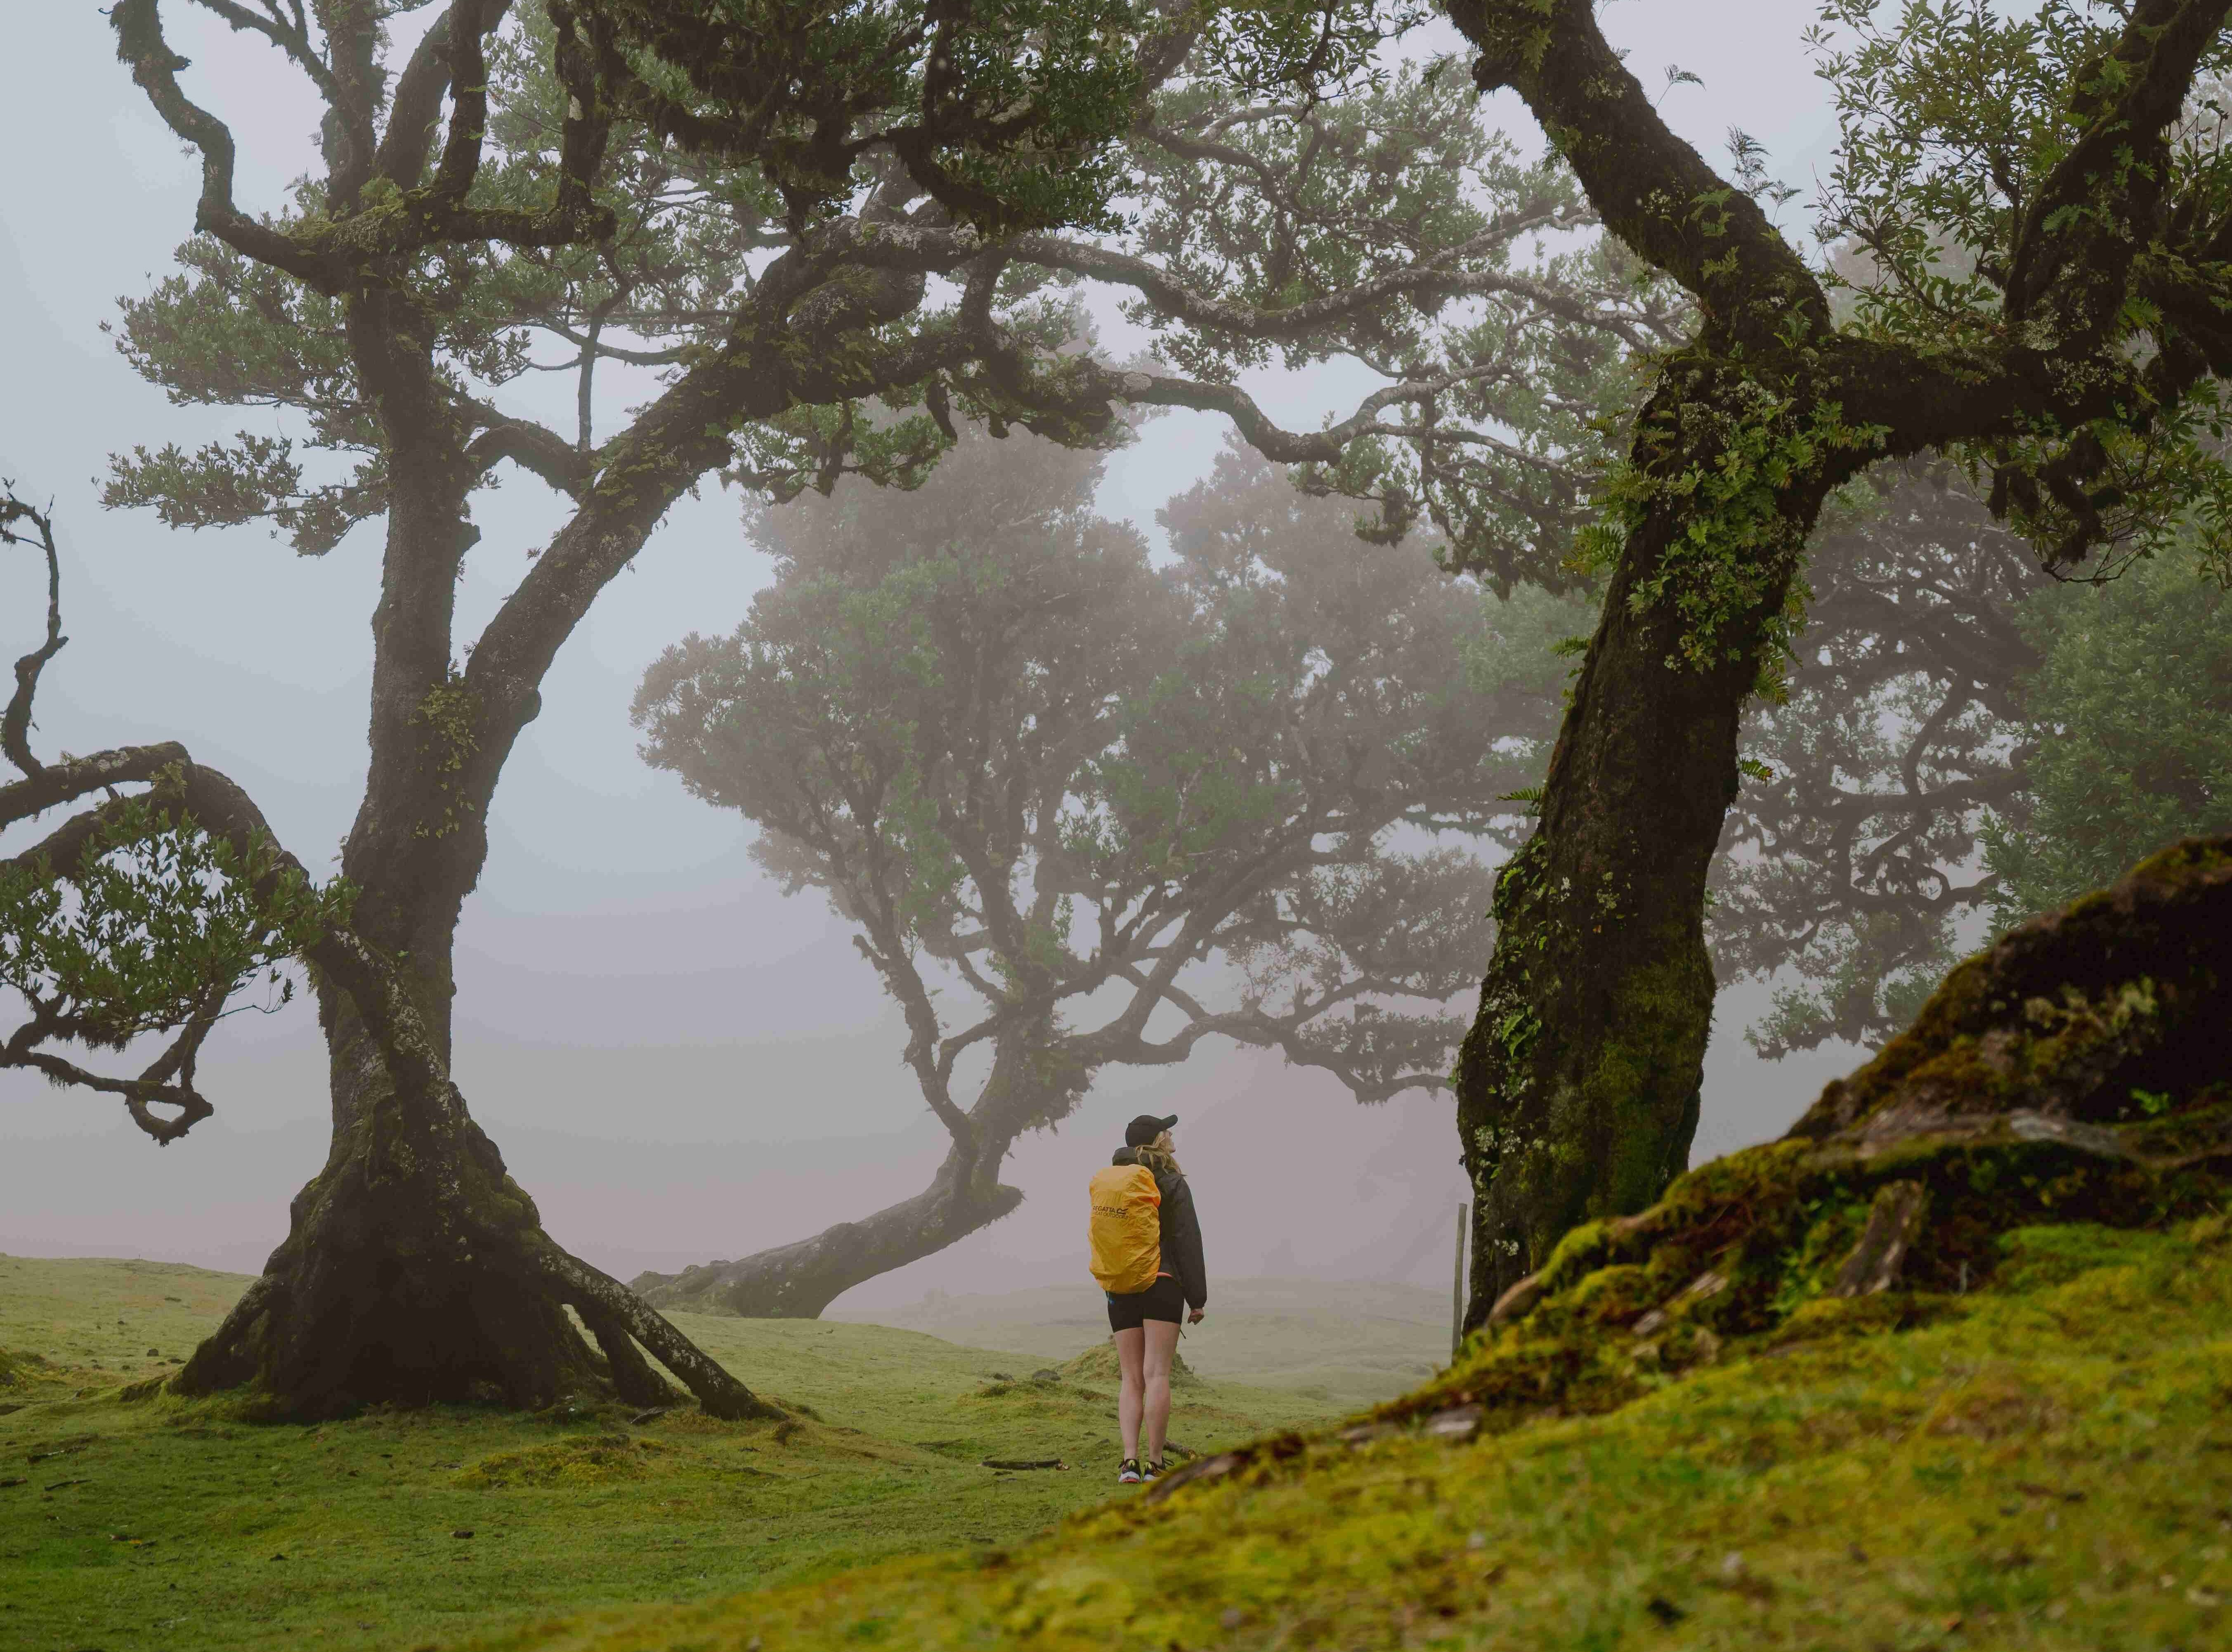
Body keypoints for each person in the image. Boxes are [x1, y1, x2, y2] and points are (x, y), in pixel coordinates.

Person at [1102, 1113, 1206, 1484]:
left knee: (1131, 1378)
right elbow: (1186, 1241)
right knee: (1157, 1373)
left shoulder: (1114, 1180)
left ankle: (1128, 1462)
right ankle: (1155, 1464)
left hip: (1120, 1284)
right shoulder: (1171, 1180)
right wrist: (1197, 1297)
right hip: (1162, 1280)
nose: (1172, 1134)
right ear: (1158, 1140)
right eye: (1168, 1130)